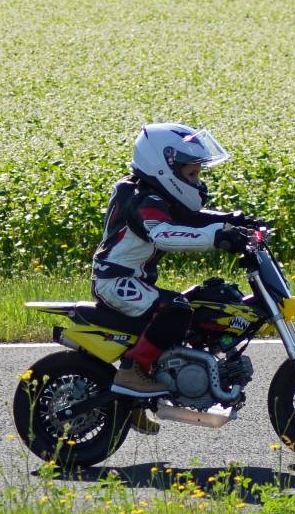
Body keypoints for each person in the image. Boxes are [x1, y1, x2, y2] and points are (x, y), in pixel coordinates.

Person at [92, 123, 260, 401]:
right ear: (163, 168)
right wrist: (216, 238)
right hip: (115, 281)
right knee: (176, 310)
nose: (197, 182)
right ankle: (133, 371)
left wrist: (232, 220)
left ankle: (140, 401)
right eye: (191, 173)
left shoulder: (157, 196)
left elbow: (191, 218)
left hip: (134, 280)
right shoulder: (141, 199)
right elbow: (164, 234)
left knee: (199, 303)